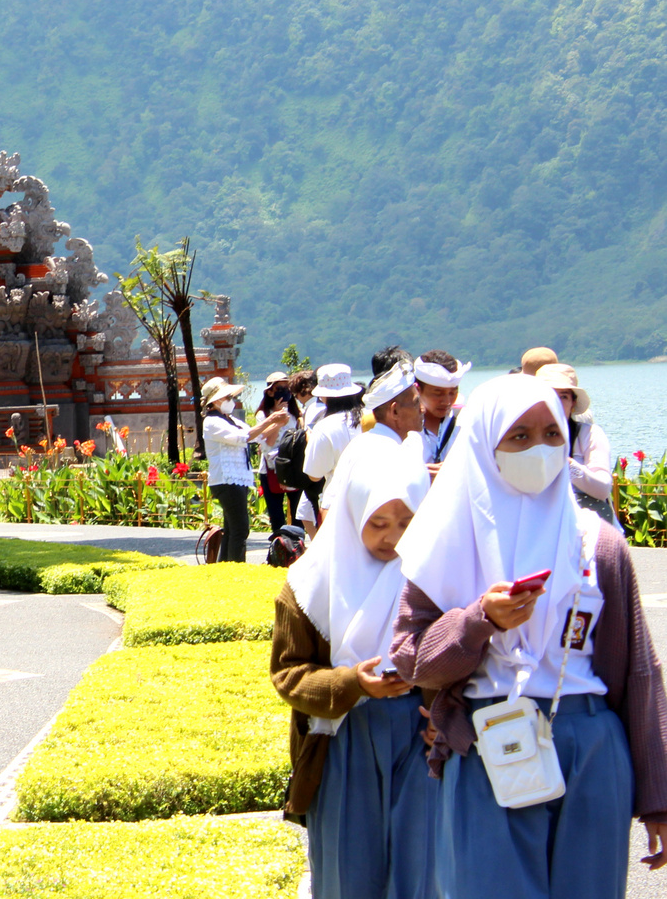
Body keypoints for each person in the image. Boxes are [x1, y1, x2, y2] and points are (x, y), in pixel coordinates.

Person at [392, 375, 667, 899]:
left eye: (551, 435)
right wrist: (479, 621)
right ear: (483, 444)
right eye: (518, 437)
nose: (539, 450)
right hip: (490, 739)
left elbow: (639, 669)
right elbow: (414, 660)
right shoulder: (446, 541)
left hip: (590, 743)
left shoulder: (598, 544)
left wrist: (657, 796)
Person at [272, 439, 435, 899]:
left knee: (421, 872)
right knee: (349, 874)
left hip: (419, 737)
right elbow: (288, 673)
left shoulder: (431, 573)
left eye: (407, 522)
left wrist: (438, 701)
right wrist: (351, 682)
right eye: (378, 523)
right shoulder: (309, 585)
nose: (394, 537)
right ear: (350, 514)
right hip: (342, 740)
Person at [201, 377, 290, 563]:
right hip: (226, 479)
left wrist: (277, 423)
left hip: (237, 479)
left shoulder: (231, 419)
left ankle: (224, 566)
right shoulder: (211, 422)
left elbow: (255, 436)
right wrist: (271, 419)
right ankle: (236, 568)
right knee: (241, 529)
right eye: (227, 397)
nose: (230, 400)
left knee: (233, 529)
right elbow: (242, 437)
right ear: (216, 401)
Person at [320, 360, 424, 514]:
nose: (422, 409)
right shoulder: (382, 452)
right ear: (394, 411)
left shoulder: (363, 444)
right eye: (416, 403)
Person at [537, 363, 617, 526]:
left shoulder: (589, 434)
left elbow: (602, 489)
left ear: (573, 403)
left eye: (563, 396)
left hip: (589, 528)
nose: (556, 403)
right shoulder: (520, 438)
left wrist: (567, 464)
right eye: (550, 395)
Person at [302, 364, 364, 520]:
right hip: (371, 499)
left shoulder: (325, 426)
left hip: (337, 501)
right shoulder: (370, 417)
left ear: (324, 396)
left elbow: (314, 475)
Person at [255, 372, 303, 531]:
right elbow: (267, 441)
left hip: (293, 466)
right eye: (279, 388)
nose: (284, 391)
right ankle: (280, 548)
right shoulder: (263, 415)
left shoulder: (296, 414)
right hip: (270, 467)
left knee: (298, 513)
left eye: (287, 388)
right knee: (276, 516)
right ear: (269, 391)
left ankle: (297, 546)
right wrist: (278, 420)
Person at [413, 350, 469, 471]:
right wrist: (419, 473)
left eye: (452, 393)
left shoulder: (465, 421)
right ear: (417, 389)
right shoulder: (403, 427)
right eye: (438, 394)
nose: (447, 401)